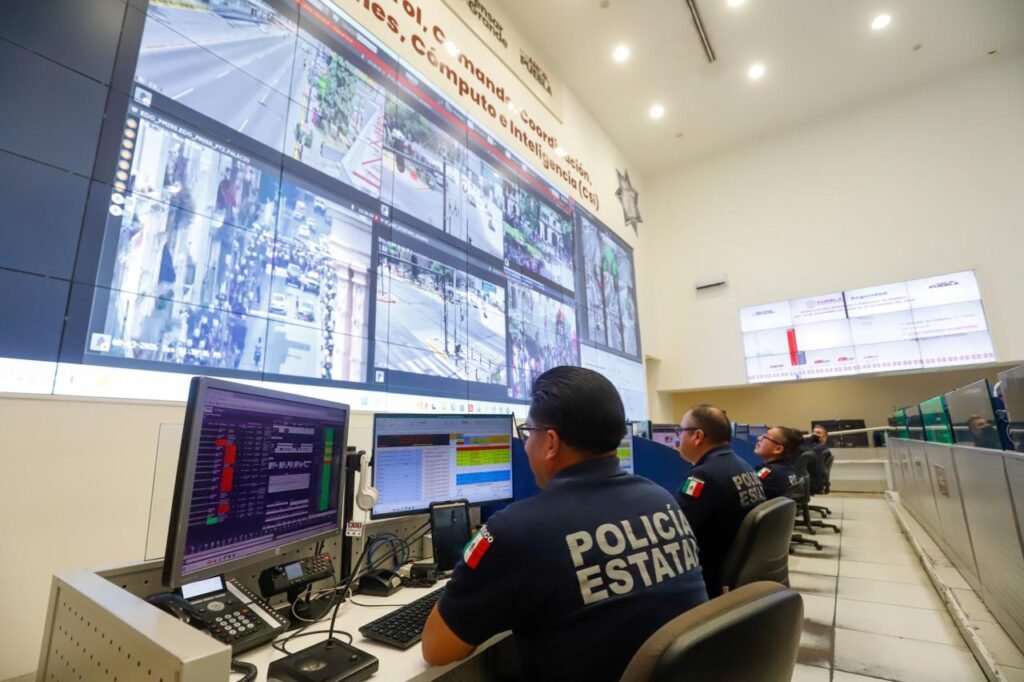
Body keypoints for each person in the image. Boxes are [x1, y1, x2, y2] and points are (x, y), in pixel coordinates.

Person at [422, 367, 708, 680]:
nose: (525, 445)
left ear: (551, 442)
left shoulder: (517, 529)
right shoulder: (662, 499)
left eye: (529, 433)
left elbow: (437, 649)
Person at [675, 404, 765, 597]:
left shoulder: (702, 476)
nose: (678, 438)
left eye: (680, 431)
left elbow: (678, 531)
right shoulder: (744, 465)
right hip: (739, 568)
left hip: (710, 575)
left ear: (698, 436)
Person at [753, 426, 803, 499]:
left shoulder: (767, 471)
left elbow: (749, 487)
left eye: (765, 437)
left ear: (778, 449)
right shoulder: (789, 469)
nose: (759, 438)